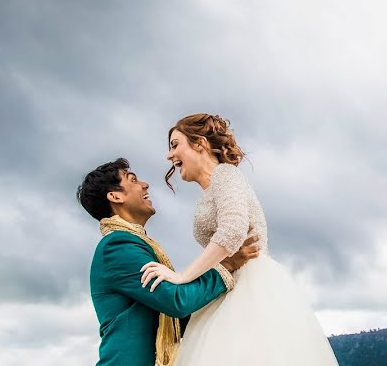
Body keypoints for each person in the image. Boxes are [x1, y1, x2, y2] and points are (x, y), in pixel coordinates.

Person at [139, 113, 340, 365]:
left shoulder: (225, 174)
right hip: (224, 287)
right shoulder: (208, 193)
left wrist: (182, 276)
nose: (169, 156)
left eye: (175, 145)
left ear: (199, 144)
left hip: (251, 288)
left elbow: (233, 231)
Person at [77, 158, 261, 366]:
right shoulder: (117, 247)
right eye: (133, 180)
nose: (145, 184)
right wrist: (226, 265)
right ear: (115, 196)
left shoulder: (138, 245)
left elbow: (178, 321)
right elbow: (175, 301)